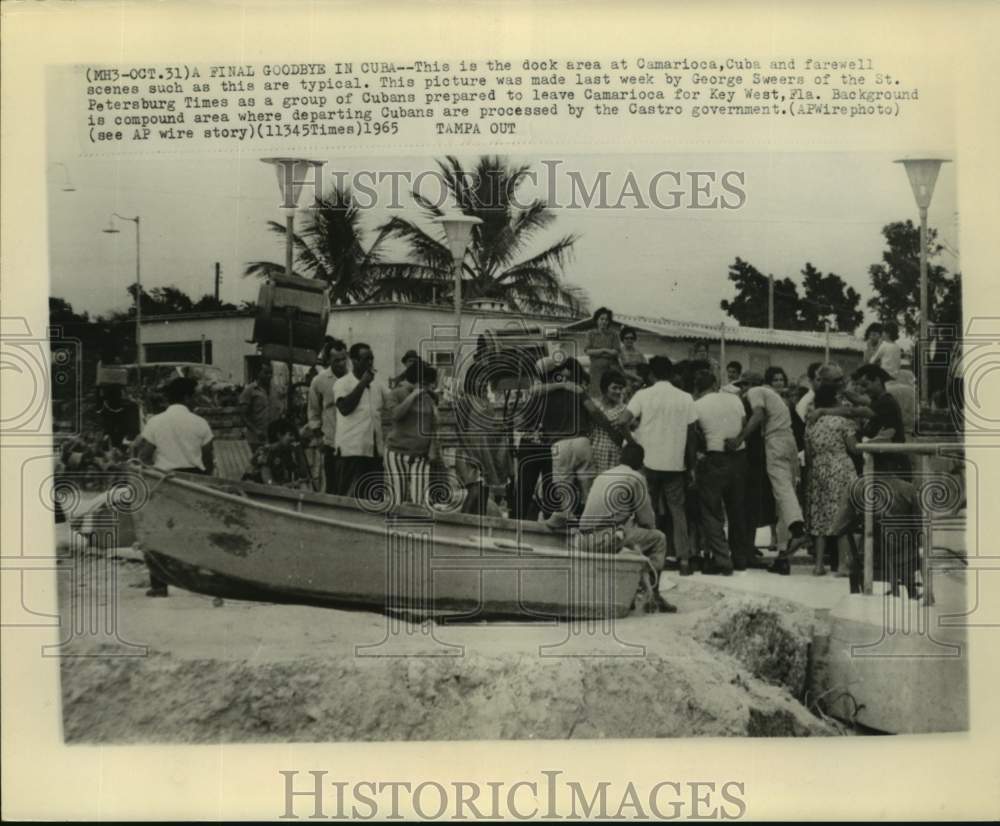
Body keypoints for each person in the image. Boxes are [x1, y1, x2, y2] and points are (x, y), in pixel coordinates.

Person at [133, 377, 214, 597]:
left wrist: (155, 473)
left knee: (160, 533)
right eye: (194, 394)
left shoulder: (155, 422)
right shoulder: (200, 423)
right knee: (195, 532)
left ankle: (159, 585)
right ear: (187, 397)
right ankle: (200, 583)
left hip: (163, 481)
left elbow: (144, 455)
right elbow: (209, 461)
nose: (197, 398)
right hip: (194, 482)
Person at [619, 355, 698, 574]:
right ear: (671, 374)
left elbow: (622, 421)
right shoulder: (686, 398)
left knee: (648, 510)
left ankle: (647, 556)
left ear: (651, 374)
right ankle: (684, 560)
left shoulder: (643, 395)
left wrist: (635, 442)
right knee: (678, 512)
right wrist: (691, 466)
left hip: (648, 460)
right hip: (675, 463)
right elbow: (692, 436)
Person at [577, 442, 676, 613]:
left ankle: (630, 590)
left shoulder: (604, 475)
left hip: (584, 538)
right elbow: (647, 520)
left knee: (627, 536)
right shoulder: (636, 478)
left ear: (620, 458)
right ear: (640, 463)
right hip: (606, 537)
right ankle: (653, 595)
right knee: (658, 539)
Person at [727, 371, 809, 574]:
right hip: (788, 441)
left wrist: (739, 438)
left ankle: (797, 529)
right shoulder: (777, 398)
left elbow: (758, 415)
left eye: (742, 387)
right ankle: (783, 556)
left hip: (775, 442)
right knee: (783, 498)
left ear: (748, 384)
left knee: (782, 490)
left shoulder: (756, 391)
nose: (742, 392)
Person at [536, 357, 618, 529]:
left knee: (564, 489)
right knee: (588, 490)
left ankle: (568, 518)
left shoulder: (542, 394)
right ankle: (593, 524)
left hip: (560, 445)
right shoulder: (577, 390)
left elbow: (532, 393)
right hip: (582, 442)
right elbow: (594, 411)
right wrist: (612, 432)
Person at [692, 369, 751, 573]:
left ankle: (722, 559)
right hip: (738, 457)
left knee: (711, 511)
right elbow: (743, 424)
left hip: (713, 457)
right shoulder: (734, 399)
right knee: (737, 510)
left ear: (698, 388)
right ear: (716, 385)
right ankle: (741, 558)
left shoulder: (696, 405)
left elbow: (695, 434)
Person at [804, 384, 861, 576]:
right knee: (842, 515)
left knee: (820, 517)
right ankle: (843, 565)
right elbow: (853, 448)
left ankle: (819, 565)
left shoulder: (811, 422)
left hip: (818, 469)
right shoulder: (843, 421)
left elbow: (809, 452)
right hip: (840, 466)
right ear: (835, 400)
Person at [333, 342, 389, 498]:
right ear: (354, 361)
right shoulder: (342, 383)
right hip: (352, 451)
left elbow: (391, 401)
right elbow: (344, 408)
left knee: (374, 498)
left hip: (374, 451)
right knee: (349, 497)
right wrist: (363, 383)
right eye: (366, 359)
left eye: (372, 359)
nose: (370, 363)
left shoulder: (378, 383)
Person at [384, 360, 439, 507]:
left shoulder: (429, 398)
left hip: (420, 455)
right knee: (397, 499)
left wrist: (433, 449)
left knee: (420, 501)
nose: (428, 386)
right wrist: (413, 395)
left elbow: (433, 425)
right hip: (397, 453)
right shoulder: (396, 394)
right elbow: (395, 415)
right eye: (425, 382)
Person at [851, 363, 911, 478]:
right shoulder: (878, 401)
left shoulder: (886, 402)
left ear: (877, 381)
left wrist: (823, 411)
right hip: (886, 465)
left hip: (893, 467)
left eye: (865, 385)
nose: (863, 390)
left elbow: (854, 411)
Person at [307, 337, 349, 494]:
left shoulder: (354, 378)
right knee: (331, 484)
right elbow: (313, 411)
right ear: (328, 360)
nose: (341, 364)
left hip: (352, 441)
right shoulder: (319, 381)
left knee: (348, 483)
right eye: (336, 360)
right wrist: (319, 437)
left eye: (343, 359)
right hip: (330, 442)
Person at [590, 370, 631, 475]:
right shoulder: (593, 404)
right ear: (604, 388)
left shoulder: (624, 410)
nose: (618, 391)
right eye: (614, 388)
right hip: (592, 453)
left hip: (612, 455)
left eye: (620, 388)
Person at [244, 418, 302, 487]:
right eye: (290, 435)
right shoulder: (266, 452)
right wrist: (288, 485)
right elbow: (269, 482)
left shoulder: (286, 452)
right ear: (279, 435)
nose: (294, 438)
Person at [584, 306, 622, 398]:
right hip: (596, 369)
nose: (604, 322)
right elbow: (588, 351)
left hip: (612, 368)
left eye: (606, 320)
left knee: (612, 393)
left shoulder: (614, 334)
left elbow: (616, 352)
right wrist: (604, 350)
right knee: (597, 395)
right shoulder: (590, 334)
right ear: (597, 320)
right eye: (602, 319)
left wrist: (598, 352)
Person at [239, 361, 273, 452]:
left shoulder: (275, 390)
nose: (269, 376)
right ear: (258, 373)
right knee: (259, 462)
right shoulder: (249, 390)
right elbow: (243, 415)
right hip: (256, 439)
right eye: (266, 373)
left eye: (271, 373)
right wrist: (256, 431)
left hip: (272, 437)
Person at [618, 326, 647, 395]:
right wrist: (636, 378)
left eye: (631, 338)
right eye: (626, 338)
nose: (629, 340)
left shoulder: (639, 353)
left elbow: (645, 366)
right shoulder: (619, 352)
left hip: (638, 381)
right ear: (622, 339)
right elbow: (620, 369)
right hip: (624, 380)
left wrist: (640, 379)